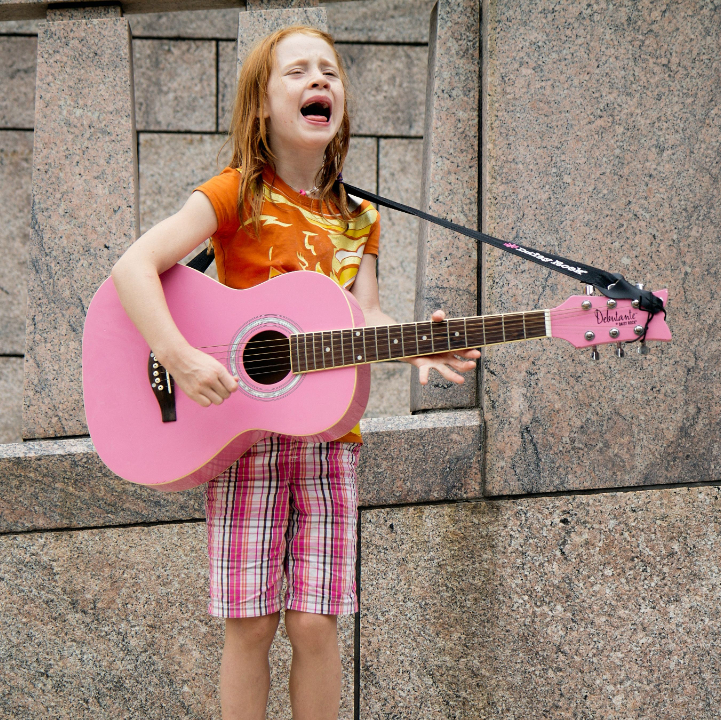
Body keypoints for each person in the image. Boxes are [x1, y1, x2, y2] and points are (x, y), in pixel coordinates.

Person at [110, 25, 481, 720]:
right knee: (250, 623)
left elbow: (361, 316)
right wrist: (180, 356)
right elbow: (133, 267)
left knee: (316, 621)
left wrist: (412, 344)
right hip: (239, 434)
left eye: (330, 72)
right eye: (299, 72)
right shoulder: (234, 195)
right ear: (261, 105)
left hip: (329, 440)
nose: (320, 81)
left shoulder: (357, 216)